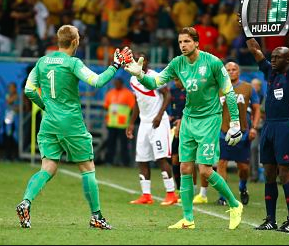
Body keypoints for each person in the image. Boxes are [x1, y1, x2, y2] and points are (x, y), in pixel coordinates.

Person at [123, 27, 243, 230]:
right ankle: (188, 219)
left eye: (187, 41)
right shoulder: (177, 63)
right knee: (185, 167)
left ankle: (234, 204)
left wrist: (235, 123)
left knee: (205, 170)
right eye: (180, 42)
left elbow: (229, 93)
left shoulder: (212, 62)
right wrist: (141, 75)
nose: (183, 45)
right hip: (188, 119)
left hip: (209, 120)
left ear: (196, 42)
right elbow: (155, 82)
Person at [15, 25, 124, 230]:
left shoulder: (42, 61)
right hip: (71, 123)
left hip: (48, 123)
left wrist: (46, 106)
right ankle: (96, 217)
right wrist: (115, 65)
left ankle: (26, 202)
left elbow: (29, 90)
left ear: (59, 41)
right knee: (87, 168)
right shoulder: (72, 63)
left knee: (48, 167)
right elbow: (98, 81)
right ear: (74, 41)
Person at [245, 11, 289, 233]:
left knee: (284, 174)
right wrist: (246, 27)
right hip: (268, 127)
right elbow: (255, 49)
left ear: (288, 60)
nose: (273, 59)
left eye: (278, 57)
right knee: (269, 173)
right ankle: (271, 219)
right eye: (274, 56)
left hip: (284, 126)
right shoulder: (270, 72)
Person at [192, 61, 260, 206]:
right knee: (221, 163)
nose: (231, 72)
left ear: (239, 72)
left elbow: (256, 108)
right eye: (228, 69)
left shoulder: (248, 88)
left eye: (234, 69)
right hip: (222, 132)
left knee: (243, 168)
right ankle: (223, 196)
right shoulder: (218, 88)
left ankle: (242, 186)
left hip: (242, 133)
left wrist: (254, 128)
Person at [126, 52, 178, 206]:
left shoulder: (155, 76)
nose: (138, 62)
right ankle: (146, 195)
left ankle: (171, 194)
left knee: (161, 158)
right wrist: (131, 123)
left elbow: (168, 96)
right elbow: (137, 101)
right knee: (141, 159)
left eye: (141, 59)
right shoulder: (132, 79)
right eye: (135, 60)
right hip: (144, 123)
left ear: (147, 61)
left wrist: (159, 115)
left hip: (158, 122)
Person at [103, 77, 135, 166]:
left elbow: (133, 108)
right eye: (115, 83)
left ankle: (125, 163)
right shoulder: (110, 93)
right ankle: (109, 161)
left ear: (121, 84)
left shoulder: (128, 94)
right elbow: (106, 106)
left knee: (124, 145)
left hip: (123, 124)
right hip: (112, 123)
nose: (116, 85)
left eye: (117, 83)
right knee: (110, 144)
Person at [168, 77, 187, 192]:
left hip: (187, 127)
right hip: (174, 128)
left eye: (177, 80)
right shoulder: (173, 91)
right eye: (174, 80)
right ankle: (179, 188)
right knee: (174, 158)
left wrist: (181, 120)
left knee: (186, 160)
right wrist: (170, 116)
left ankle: (191, 188)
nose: (176, 83)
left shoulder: (190, 92)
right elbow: (170, 107)